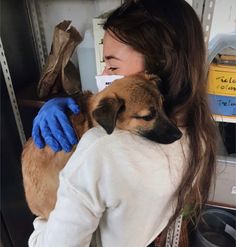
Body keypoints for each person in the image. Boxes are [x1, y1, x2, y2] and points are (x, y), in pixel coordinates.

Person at [29, 0, 217, 246]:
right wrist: (76, 102)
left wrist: (43, 220)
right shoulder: (198, 132)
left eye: (112, 64)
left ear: (160, 64)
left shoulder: (100, 150)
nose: (105, 74)